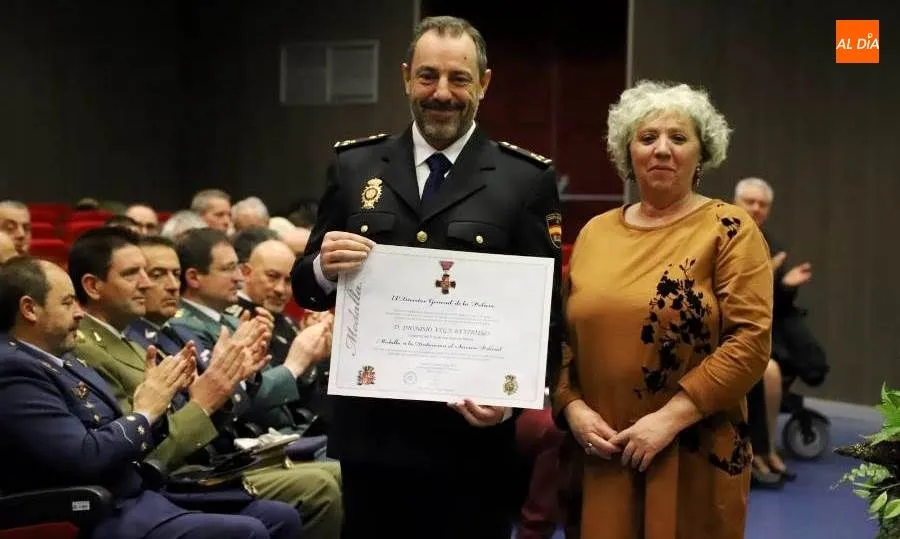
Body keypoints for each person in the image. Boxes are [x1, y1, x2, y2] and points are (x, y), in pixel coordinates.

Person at [291, 15, 563, 539]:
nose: (442, 93)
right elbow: (306, 284)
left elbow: (547, 310)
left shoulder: (524, 179)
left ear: (484, 83)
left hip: (471, 441)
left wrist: (513, 402)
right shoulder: (354, 167)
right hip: (373, 437)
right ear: (404, 78)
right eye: (427, 76)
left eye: (459, 79)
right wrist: (324, 268)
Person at [553, 80, 773, 539]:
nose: (662, 150)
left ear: (701, 152)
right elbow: (560, 335)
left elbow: (750, 342)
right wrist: (570, 405)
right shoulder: (594, 232)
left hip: (693, 448)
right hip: (601, 450)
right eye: (647, 137)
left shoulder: (730, 228)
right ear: (627, 152)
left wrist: (668, 420)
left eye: (678, 137)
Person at [0, 256, 303, 539]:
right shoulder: (13, 370)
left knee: (279, 517)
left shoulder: (66, 362)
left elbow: (122, 433)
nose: (80, 313)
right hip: (98, 510)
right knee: (248, 531)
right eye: (67, 303)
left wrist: (156, 408)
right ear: (29, 309)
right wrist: (145, 411)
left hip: (139, 491)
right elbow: (84, 456)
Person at [734, 176, 813, 485]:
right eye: (750, 202)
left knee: (773, 371)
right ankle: (754, 452)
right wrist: (771, 274)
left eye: (762, 204)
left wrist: (785, 286)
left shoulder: (770, 242)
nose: (756, 209)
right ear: (736, 203)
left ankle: (765, 450)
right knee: (765, 371)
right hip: (723, 328)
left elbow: (768, 299)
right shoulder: (723, 234)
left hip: (757, 326)